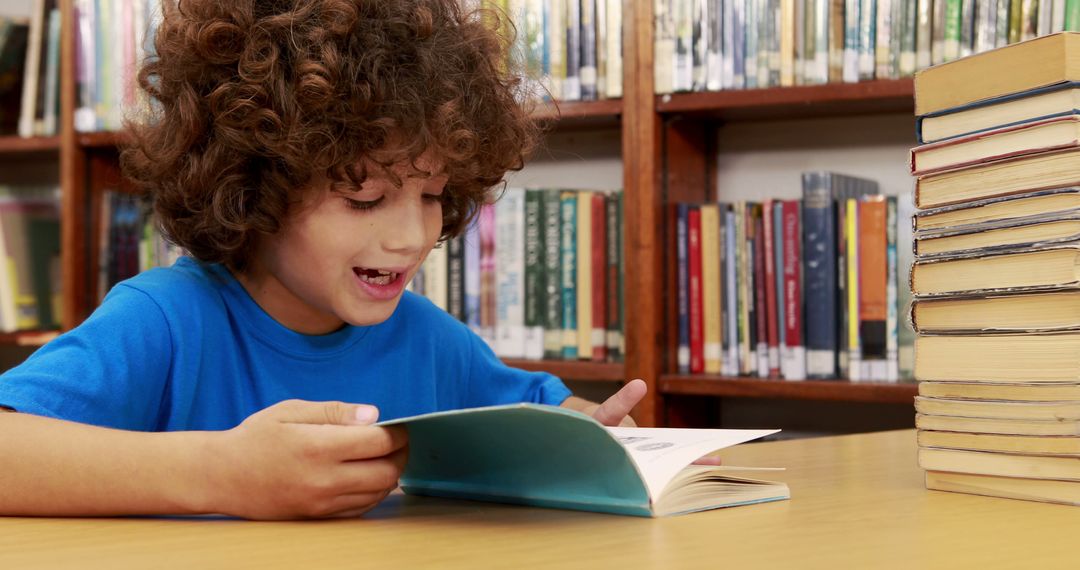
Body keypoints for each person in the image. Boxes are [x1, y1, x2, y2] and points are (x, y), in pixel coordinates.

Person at [0, 0, 647, 520]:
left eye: (431, 195)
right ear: (254, 187)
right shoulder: (166, 320)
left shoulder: (425, 339)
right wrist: (220, 476)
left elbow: (540, 415)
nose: (410, 238)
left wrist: (598, 435)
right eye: (363, 198)